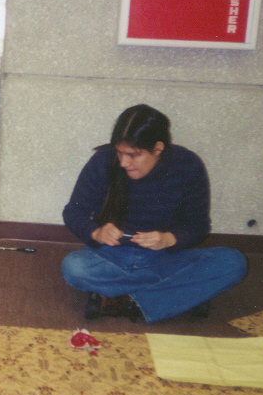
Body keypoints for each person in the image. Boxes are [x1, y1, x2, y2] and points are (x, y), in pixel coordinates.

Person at [61, 104, 247, 323]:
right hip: (109, 256)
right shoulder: (103, 161)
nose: (123, 162)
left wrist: (169, 239)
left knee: (234, 262)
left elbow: (198, 226)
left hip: (164, 257)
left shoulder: (187, 165)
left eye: (133, 155)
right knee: (74, 267)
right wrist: (96, 233)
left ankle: (123, 300)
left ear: (158, 148)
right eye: (119, 153)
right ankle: (180, 294)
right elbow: (73, 213)